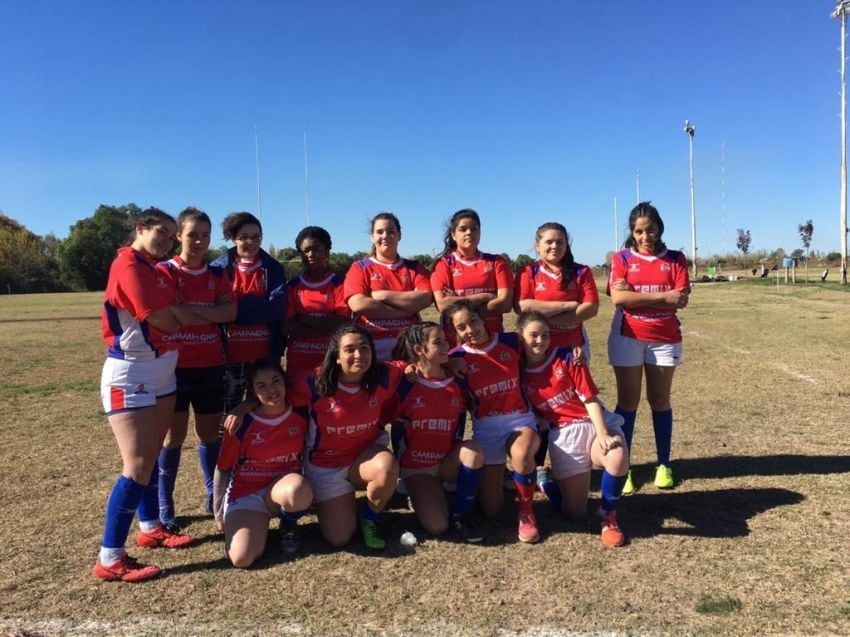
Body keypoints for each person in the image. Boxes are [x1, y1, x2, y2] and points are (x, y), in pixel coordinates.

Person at [92, 207, 195, 582]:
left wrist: (178, 314)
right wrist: (179, 315)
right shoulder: (130, 266)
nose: (168, 240)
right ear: (140, 228)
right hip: (130, 371)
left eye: (172, 235)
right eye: (162, 233)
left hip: (162, 369)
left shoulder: (154, 268)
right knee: (136, 466)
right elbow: (168, 319)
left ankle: (151, 527)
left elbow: (176, 313)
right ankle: (110, 558)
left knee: (151, 457)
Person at [516, 311, 629, 547]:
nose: (540, 341)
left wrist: (602, 434)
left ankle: (608, 516)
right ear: (520, 336)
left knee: (617, 458)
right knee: (573, 513)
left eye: (545, 335)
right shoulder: (517, 372)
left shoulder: (568, 356)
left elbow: (589, 398)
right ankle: (544, 480)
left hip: (595, 422)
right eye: (533, 335)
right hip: (565, 434)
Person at [155, 207, 236, 529]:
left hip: (210, 365)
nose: (200, 241)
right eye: (193, 235)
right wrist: (206, 312)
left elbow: (229, 313)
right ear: (178, 236)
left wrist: (189, 312)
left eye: (205, 235)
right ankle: (166, 503)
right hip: (173, 368)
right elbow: (169, 313)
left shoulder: (217, 273)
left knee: (208, 436)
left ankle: (211, 494)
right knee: (172, 438)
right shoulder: (164, 272)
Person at [607, 202, 690, 494]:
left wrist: (637, 296)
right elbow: (618, 299)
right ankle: (624, 467)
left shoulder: (677, 259)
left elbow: (680, 299)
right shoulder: (621, 259)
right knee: (627, 403)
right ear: (632, 233)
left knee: (659, 400)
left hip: (665, 338)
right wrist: (662, 297)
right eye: (639, 231)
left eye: (650, 229)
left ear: (659, 228)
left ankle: (663, 464)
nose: (646, 236)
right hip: (627, 336)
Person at [514, 222, 600, 497]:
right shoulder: (528, 271)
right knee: (538, 409)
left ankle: (575, 464)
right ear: (537, 244)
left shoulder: (580, 271)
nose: (554, 246)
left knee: (571, 408)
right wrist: (566, 305)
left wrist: (547, 316)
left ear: (567, 244)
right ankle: (538, 467)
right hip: (537, 351)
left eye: (560, 242)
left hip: (572, 350)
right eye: (548, 242)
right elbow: (524, 306)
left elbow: (591, 308)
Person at [443, 300, 541, 543]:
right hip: (485, 427)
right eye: (461, 327)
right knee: (491, 511)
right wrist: (447, 363)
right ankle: (519, 482)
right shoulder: (457, 357)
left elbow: (542, 350)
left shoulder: (511, 341)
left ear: (482, 318)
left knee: (521, 453)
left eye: (473, 321)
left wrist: (573, 352)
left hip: (519, 419)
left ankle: (526, 513)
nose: (470, 330)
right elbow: (427, 367)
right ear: (455, 332)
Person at [304, 325, 402, 549]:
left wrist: (451, 362)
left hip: (365, 456)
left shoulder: (384, 375)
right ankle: (341, 504)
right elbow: (273, 391)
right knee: (339, 538)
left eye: (364, 348)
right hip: (326, 466)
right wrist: (244, 407)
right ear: (336, 357)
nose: (359, 355)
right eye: (349, 349)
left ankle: (371, 517)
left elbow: (417, 362)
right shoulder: (314, 383)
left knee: (386, 467)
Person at [389, 323, 485, 542]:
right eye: (438, 342)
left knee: (474, 451)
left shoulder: (458, 380)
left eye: (445, 339)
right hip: (417, 467)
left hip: (447, 463)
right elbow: (386, 420)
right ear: (419, 350)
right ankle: (416, 490)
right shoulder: (404, 383)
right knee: (438, 526)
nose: (446, 345)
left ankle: (462, 515)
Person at [216, 360, 313, 567]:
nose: (271, 390)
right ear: (252, 392)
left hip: (282, 489)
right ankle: (255, 526)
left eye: (276, 381)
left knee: (299, 488)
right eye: (262, 386)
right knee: (242, 558)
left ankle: (288, 525)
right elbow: (223, 467)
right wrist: (217, 511)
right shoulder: (241, 422)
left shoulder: (301, 412)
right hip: (247, 494)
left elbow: (318, 377)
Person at [211, 212, 287, 413]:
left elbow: (277, 308)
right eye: (244, 237)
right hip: (230, 357)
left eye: (256, 237)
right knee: (228, 414)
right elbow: (212, 310)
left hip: (264, 356)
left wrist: (232, 310)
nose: (251, 242)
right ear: (233, 238)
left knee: (263, 410)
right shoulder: (218, 269)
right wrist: (257, 303)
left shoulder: (274, 269)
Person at [344, 212, 432, 362]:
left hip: (409, 346)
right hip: (371, 348)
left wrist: (381, 296)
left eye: (391, 231)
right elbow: (358, 304)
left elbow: (425, 298)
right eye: (379, 232)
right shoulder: (360, 268)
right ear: (372, 237)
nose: (385, 236)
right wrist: (405, 309)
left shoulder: (414, 267)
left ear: (399, 235)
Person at [283, 225, 349, 404]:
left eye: (317, 249)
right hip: (299, 363)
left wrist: (303, 319)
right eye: (306, 250)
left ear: (327, 252)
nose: (311, 254)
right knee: (301, 414)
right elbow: (288, 326)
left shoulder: (339, 284)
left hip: (330, 361)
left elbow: (341, 323)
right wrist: (325, 327)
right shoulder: (292, 286)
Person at [430, 209, 514, 347]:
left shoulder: (496, 262)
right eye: (463, 229)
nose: (469, 233)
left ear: (480, 233)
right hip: (456, 342)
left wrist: (458, 303)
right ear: (453, 234)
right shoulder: (443, 264)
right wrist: (484, 297)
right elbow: (443, 305)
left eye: (474, 229)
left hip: (493, 338)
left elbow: (505, 304)